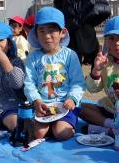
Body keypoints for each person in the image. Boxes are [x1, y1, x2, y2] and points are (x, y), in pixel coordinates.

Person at [24, 7, 86, 140]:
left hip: (65, 105)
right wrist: (36, 100)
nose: (47, 36)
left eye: (52, 30)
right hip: (43, 105)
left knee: (61, 133)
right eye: (42, 31)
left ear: (62, 32)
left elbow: (78, 82)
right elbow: (29, 82)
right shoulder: (33, 57)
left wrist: (72, 99)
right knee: (38, 134)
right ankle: (49, 126)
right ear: (36, 34)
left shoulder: (70, 55)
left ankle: (62, 125)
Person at [54, 0, 111, 69]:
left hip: (76, 17)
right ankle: (92, 75)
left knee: (77, 54)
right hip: (84, 16)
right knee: (89, 52)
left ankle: (93, 75)